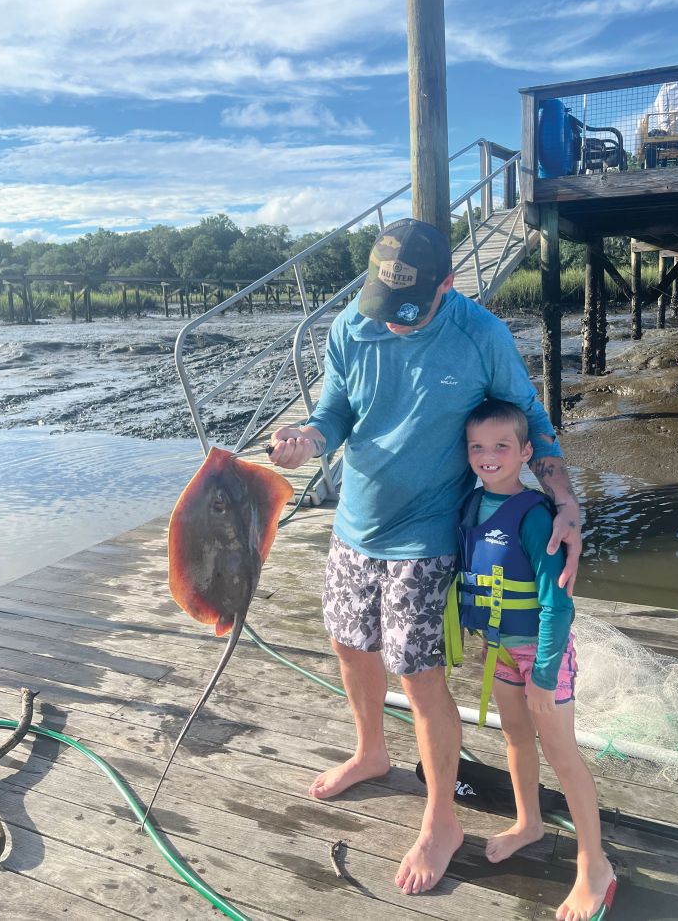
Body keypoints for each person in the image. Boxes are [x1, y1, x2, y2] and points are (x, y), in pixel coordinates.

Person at [269, 218, 582, 896]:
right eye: (387, 308)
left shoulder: (481, 335)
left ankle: (441, 818)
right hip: (356, 524)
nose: (396, 324)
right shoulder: (355, 324)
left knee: (417, 673)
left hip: (428, 533)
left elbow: (533, 418)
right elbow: (335, 414)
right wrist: (307, 440)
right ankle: (372, 751)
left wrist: (564, 500)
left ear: (447, 283)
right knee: (350, 646)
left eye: (410, 312)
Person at [458, 398, 615, 921]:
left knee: (562, 754)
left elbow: (556, 601)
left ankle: (595, 865)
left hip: (541, 656)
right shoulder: (470, 506)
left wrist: (544, 675)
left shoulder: (533, 516)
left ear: (526, 452)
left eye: (501, 446)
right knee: (515, 738)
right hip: (500, 650)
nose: (488, 456)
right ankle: (529, 822)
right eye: (477, 447)